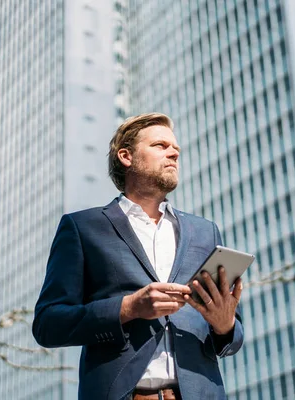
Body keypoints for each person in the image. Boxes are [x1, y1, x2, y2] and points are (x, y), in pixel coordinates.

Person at [32, 113, 244, 400]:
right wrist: (128, 307)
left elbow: (232, 339)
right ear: (126, 156)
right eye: (160, 145)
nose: (174, 153)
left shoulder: (205, 231)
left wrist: (225, 324)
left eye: (176, 149)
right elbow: (48, 325)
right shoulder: (82, 228)